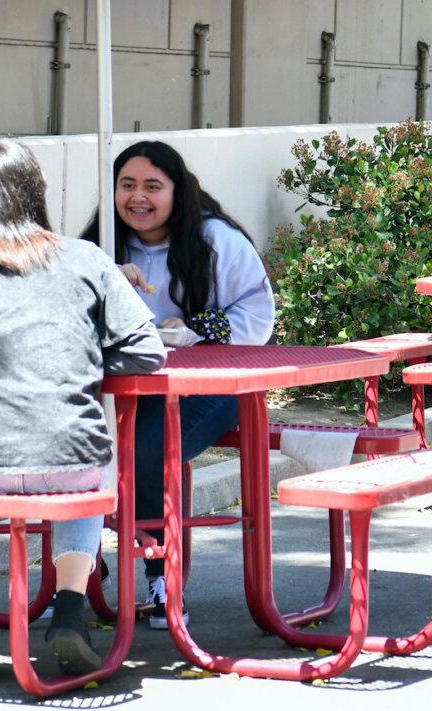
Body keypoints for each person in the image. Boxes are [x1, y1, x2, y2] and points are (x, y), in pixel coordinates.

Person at [0, 140, 166, 683]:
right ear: (36, 193)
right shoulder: (86, 257)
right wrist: (84, 354)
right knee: (93, 456)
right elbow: (148, 351)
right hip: (65, 462)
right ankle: (71, 611)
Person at [82, 140, 275, 630]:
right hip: (120, 390)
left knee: (146, 449)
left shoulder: (216, 240)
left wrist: (195, 331)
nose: (138, 198)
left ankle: (161, 579)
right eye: (127, 185)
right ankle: (78, 563)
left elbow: (258, 315)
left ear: (177, 191)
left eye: (152, 186)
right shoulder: (98, 247)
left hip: (210, 388)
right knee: (65, 439)